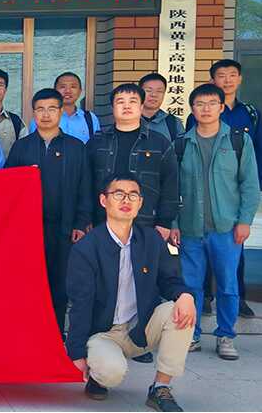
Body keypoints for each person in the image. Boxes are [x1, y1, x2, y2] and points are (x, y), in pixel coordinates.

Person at [67, 174, 196, 411]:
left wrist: (185, 295)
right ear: (104, 201)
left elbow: (170, 280)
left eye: (133, 195)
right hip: (104, 333)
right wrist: (76, 353)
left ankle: (160, 387)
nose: (126, 200)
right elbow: (80, 304)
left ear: (140, 203)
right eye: (118, 194)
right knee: (112, 372)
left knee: (181, 308)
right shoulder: (87, 248)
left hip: (141, 327)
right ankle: (98, 376)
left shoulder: (151, 240)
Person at [176, 84, 261, 359]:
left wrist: (245, 220)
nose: (206, 109)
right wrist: (174, 224)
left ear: (222, 108)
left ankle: (226, 335)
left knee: (227, 285)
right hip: (190, 228)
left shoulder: (238, 141)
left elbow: (250, 185)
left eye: (212, 103)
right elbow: (172, 189)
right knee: (191, 286)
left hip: (227, 228)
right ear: (192, 109)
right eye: (200, 104)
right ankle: (191, 334)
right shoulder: (181, 144)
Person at [5, 88, 91, 335]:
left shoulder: (75, 147)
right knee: (28, 282)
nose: (45, 114)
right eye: (40, 109)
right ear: (33, 113)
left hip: (64, 228)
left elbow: (85, 187)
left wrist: (81, 222)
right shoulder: (22, 147)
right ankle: (29, 333)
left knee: (60, 284)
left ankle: (55, 333)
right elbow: (8, 187)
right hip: (28, 230)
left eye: (52, 109)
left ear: (61, 112)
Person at [188, 59, 262, 318]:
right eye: (221, 75)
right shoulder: (195, 120)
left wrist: (247, 206)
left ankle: (237, 304)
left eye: (232, 75)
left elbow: (259, 160)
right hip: (199, 209)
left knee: (233, 262)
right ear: (213, 80)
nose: (227, 80)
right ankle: (204, 300)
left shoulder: (251, 114)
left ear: (240, 79)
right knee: (198, 264)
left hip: (231, 206)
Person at [87, 83, 179, 237]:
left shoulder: (159, 143)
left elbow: (170, 185)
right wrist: (85, 219)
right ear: (113, 108)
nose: (126, 106)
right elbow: (86, 183)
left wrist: (164, 222)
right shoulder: (97, 142)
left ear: (141, 107)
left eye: (133, 101)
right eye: (120, 102)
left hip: (146, 223)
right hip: (102, 221)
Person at [30, 72, 101, 143]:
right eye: (62, 87)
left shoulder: (90, 118)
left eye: (73, 87)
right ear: (55, 91)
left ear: (80, 91)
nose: (67, 91)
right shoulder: (42, 119)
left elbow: (96, 145)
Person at [139, 73, 185, 142]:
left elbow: (181, 147)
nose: (154, 95)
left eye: (159, 91)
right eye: (148, 90)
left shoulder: (173, 123)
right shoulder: (126, 119)